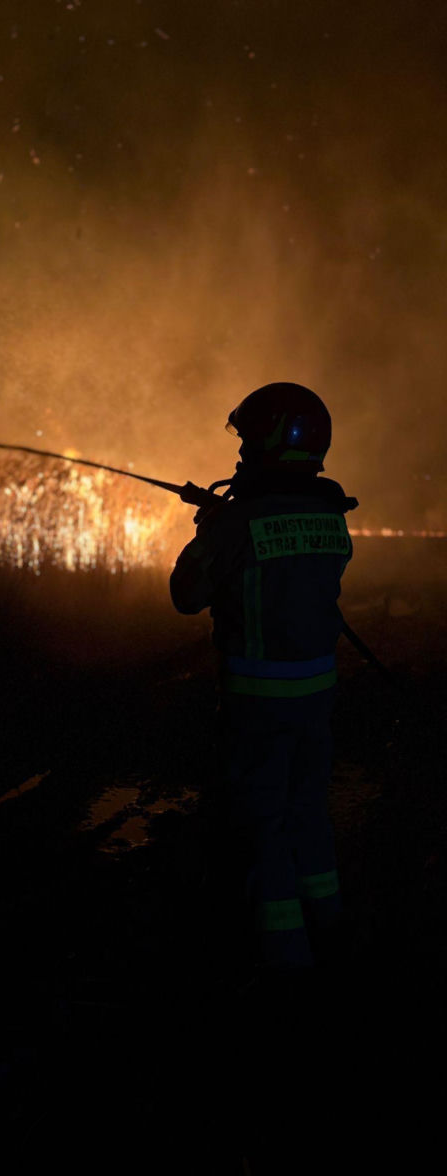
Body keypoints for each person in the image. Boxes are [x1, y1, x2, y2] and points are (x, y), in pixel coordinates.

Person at [169, 382, 358, 990]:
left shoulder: (238, 521)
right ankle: (331, 928)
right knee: (308, 813)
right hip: (316, 696)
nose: (243, 451)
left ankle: (285, 965)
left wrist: (211, 530)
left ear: (273, 440)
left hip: (257, 701)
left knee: (261, 824)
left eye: (250, 439)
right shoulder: (332, 514)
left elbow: (186, 596)